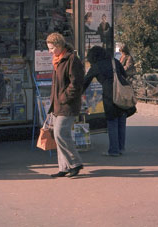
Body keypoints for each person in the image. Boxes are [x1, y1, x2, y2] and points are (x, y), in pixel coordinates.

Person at [46, 32, 85, 177]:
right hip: (58, 104)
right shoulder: (58, 59)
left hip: (67, 104)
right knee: (58, 135)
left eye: (51, 48)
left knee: (60, 133)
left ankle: (75, 163)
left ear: (58, 45)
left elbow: (76, 83)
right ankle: (64, 167)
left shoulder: (72, 59)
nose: (50, 52)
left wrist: (63, 98)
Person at [83, 46, 130, 157]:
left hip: (109, 95)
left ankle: (114, 150)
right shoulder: (115, 62)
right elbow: (124, 74)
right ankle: (120, 148)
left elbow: (85, 82)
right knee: (121, 121)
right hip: (122, 93)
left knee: (112, 122)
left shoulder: (96, 66)